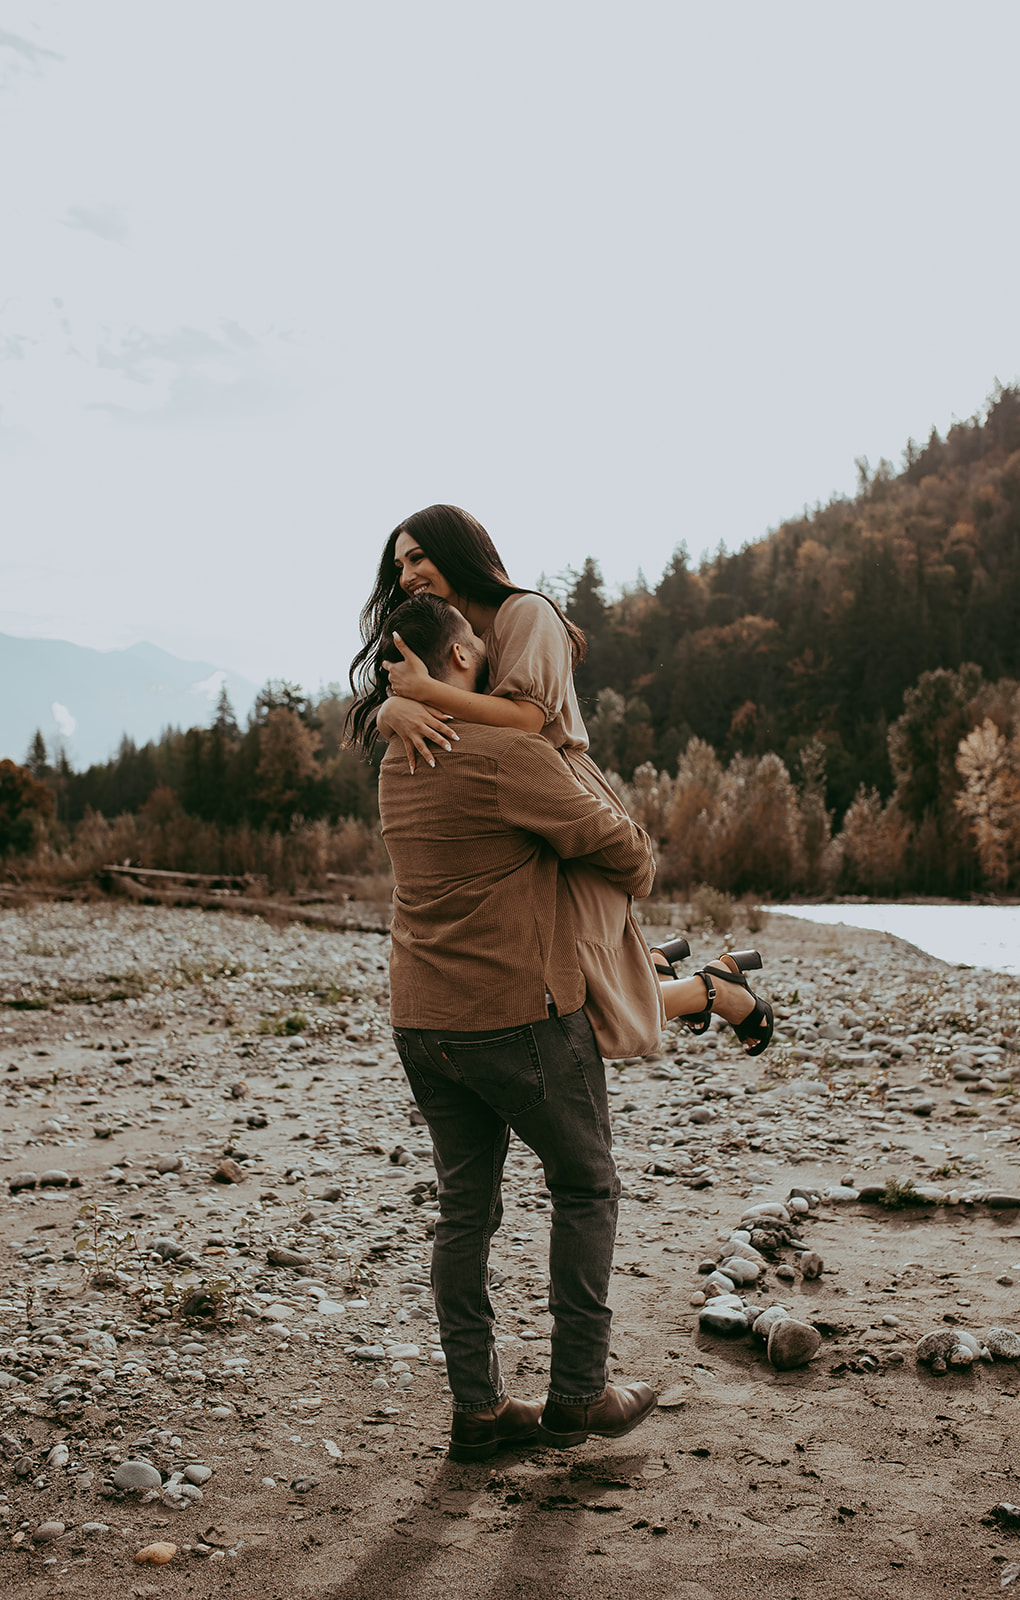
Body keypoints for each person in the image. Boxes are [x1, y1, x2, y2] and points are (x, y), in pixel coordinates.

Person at [373, 591, 660, 1459]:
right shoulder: (506, 754)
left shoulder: (398, 756)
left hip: (421, 1018)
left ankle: (480, 1409)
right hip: (518, 1015)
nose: (491, 651)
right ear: (458, 657)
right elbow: (631, 858)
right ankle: (579, 1394)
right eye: (477, 642)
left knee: (465, 1210)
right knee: (584, 1187)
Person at [346, 504, 772, 1055]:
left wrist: (421, 694)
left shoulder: (525, 613)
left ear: (459, 552)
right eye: (399, 565)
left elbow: (526, 721)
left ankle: (710, 990)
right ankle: (669, 973)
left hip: (553, 796)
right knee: (548, 985)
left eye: (419, 557)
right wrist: (388, 711)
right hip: (496, 816)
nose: (406, 577)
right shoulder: (452, 634)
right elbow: (442, 723)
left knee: (579, 1009)